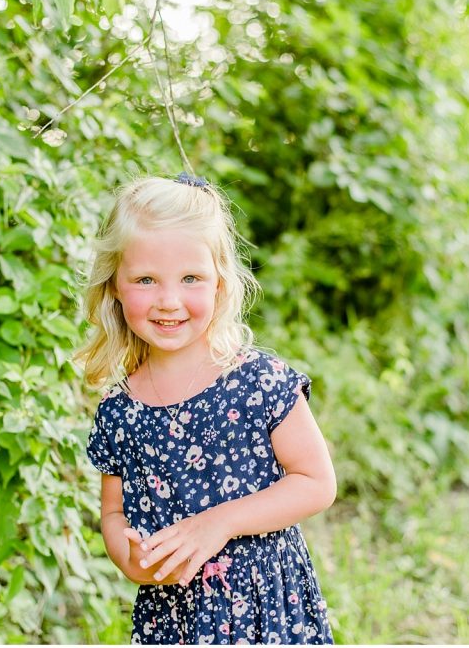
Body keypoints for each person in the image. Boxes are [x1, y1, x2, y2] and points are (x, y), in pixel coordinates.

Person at [75, 173, 336, 644]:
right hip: (174, 618)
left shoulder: (258, 381)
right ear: (115, 285)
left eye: (191, 278)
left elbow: (316, 483)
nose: (169, 301)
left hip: (265, 612)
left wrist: (220, 522)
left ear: (220, 283)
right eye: (146, 280)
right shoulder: (120, 410)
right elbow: (112, 513)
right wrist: (129, 557)